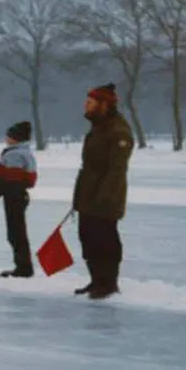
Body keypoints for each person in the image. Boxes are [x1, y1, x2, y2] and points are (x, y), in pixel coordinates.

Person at [73, 83, 134, 300]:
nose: (86, 106)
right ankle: (96, 280)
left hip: (106, 197)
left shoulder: (118, 130)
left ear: (104, 104)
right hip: (89, 195)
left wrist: (105, 198)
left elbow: (116, 169)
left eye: (90, 103)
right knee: (87, 238)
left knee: (105, 240)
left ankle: (109, 283)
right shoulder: (98, 127)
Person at [0, 122, 38, 278]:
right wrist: (1, 191)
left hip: (14, 197)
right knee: (17, 232)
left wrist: (6, 190)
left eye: (9, 136)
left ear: (16, 138)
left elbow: (14, 179)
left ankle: (24, 267)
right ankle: (23, 265)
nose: (6, 139)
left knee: (16, 233)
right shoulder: (22, 151)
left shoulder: (14, 154)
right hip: (15, 194)